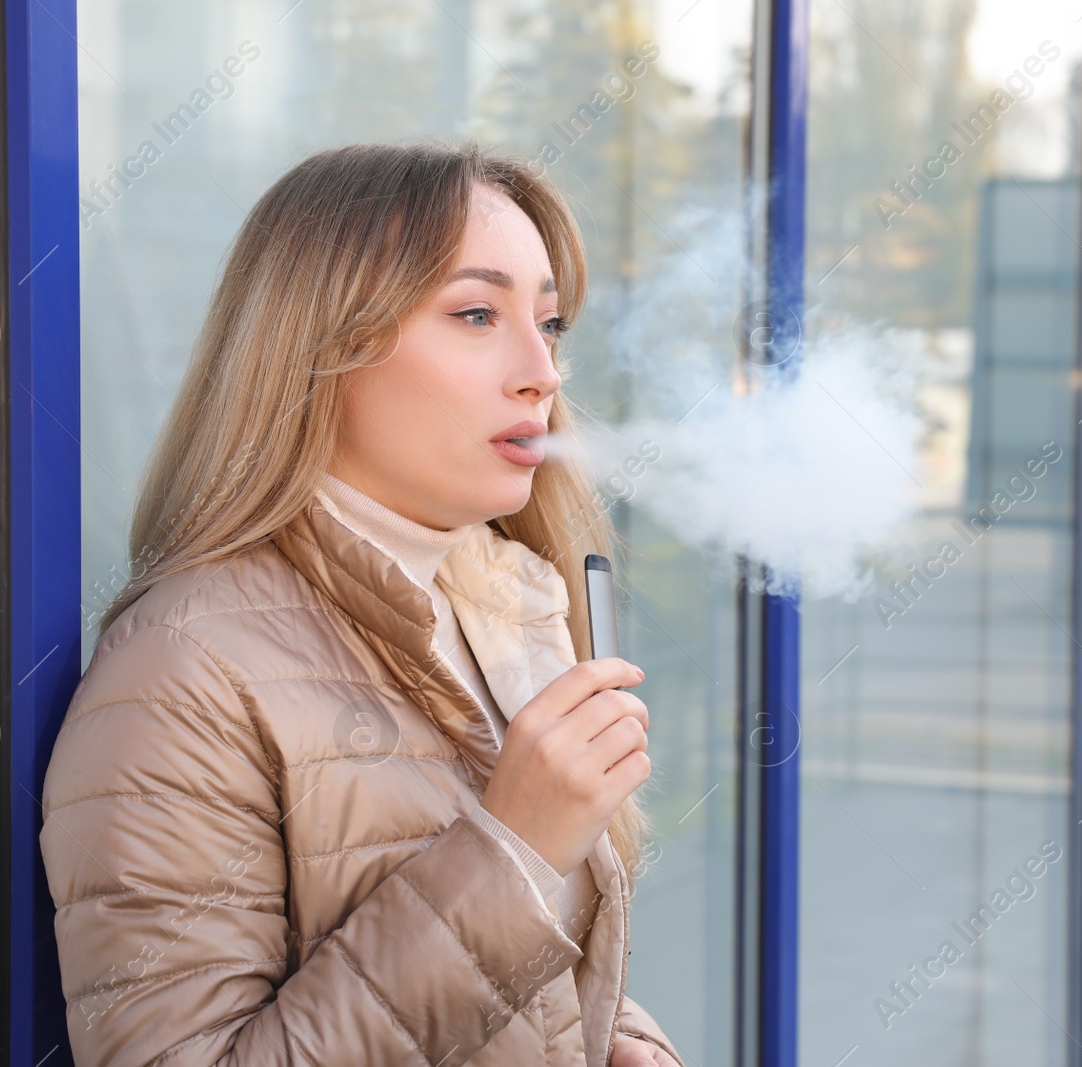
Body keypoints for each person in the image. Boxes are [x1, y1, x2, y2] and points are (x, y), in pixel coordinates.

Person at [39, 140, 685, 1067]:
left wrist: (623, 1038)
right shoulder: (183, 671)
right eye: (475, 312)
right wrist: (514, 854)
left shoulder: (505, 607)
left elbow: (530, 971)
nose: (540, 371)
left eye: (549, 325)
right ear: (323, 346)